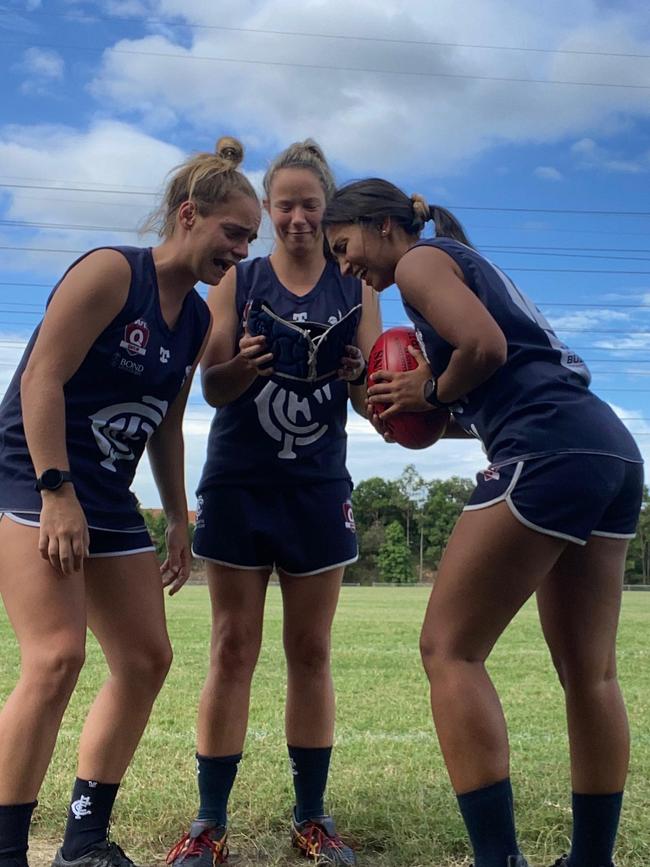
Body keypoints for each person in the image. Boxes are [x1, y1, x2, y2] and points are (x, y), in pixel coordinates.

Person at [322, 179, 643, 867]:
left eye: (344, 248)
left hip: (549, 447)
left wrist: (430, 388)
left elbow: (486, 346)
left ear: (382, 226)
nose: (345, 266)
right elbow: (497, 388)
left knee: (449, 649)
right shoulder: (465, 262)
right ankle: (592, 861)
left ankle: (498, 861)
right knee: (590, 674)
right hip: (607, 448)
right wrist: (426, 409)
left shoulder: (418, 263)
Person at [0, 137, 261, 867]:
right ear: (188, 215)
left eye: (248, 238)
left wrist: (178, 516)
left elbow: (166, 423)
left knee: (146, 659)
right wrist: (56, 493)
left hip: (110, 496)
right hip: (33, 475)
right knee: (55, 658)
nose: (240, 250)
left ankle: (84, 840)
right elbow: (39, 380)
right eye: (232, 232)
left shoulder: (199, 321)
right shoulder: (111, 272)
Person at [166, 140, 381, 867]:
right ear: (268, 208)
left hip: (319, 489)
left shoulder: (358, 287)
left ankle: (311, 817)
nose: (294, 218)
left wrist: (357, 373)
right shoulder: (240, 276)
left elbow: (372, 396)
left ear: (328, 210)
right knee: (232, 647)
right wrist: (240, 367)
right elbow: (212, 386)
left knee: (310, 651)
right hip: (239, 484)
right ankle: (209, 825)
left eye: (308, 206)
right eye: (282, 205)